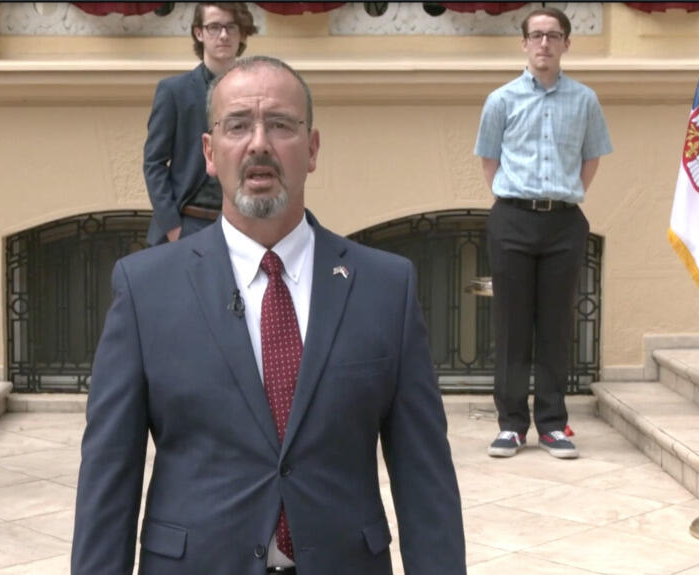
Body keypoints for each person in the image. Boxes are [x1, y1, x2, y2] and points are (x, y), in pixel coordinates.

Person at [73, 55, 466, 575]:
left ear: (312, 149)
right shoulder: (144, 289)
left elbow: (425, 482)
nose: (259, 143)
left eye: (280, 124)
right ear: (210, 153)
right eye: (238, 125)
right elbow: (108, 482)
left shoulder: (386, 287)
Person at [474, 7, 612, 460]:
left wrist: (562, 197)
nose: (544, 44)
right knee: (512, 326)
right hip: (512, 218)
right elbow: (489, 160)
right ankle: (512, 425)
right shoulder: (501, 100)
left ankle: (553, 424)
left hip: (564, 223)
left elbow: (591, 158)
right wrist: (519, 200)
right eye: (536, 35)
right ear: (524, 43)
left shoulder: (586, 100)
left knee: (555, 325)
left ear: (566, 44)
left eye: (554, 36)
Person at [142, 3, 256, 246]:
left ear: (242, 33)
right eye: (214, 27)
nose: (223, 35)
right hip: (190, 222)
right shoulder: (173, 91)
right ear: (199, 33)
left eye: (231, 27)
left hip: (246, 224)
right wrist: (174, 228)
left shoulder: (257, 92)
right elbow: (154, 163)